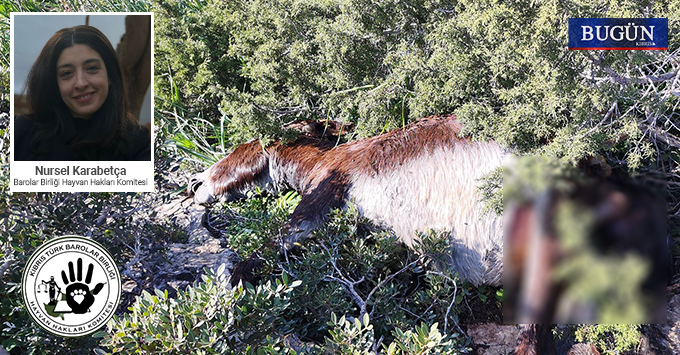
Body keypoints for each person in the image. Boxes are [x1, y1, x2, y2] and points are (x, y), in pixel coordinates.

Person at [14, 25, 150, 161]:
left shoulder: (138, 143)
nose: (80, 83)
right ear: (55, 84)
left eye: (91, 68)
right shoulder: (19, 131)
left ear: (110, 76)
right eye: (66, 73)